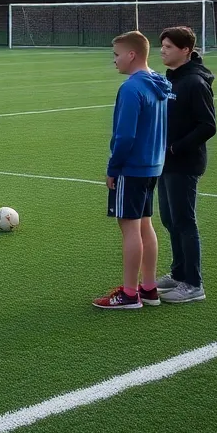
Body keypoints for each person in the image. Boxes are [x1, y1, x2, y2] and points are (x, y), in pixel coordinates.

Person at [93, 30, 172, 310]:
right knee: (145, 225)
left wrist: (113, 168)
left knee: (129, 229)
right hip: (153, 166)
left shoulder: (131, 88)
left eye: (116, 55)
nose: (114, 61)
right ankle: (148, 288)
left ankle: (129, 294)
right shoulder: (160, 83)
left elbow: (125, 136)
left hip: (133, 167)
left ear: (131, 54)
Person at [156, 26, 216, 304]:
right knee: (169, 219)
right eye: (162, 46)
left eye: (168, 47)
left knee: (184, 221)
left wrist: (175, 147)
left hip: (184, 162)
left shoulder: (194, 82)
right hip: (164, 162)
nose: (162, 51)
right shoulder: (172, 79)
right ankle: (179, 273)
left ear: (185, 51)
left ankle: (194, 283)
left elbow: (207, 126)